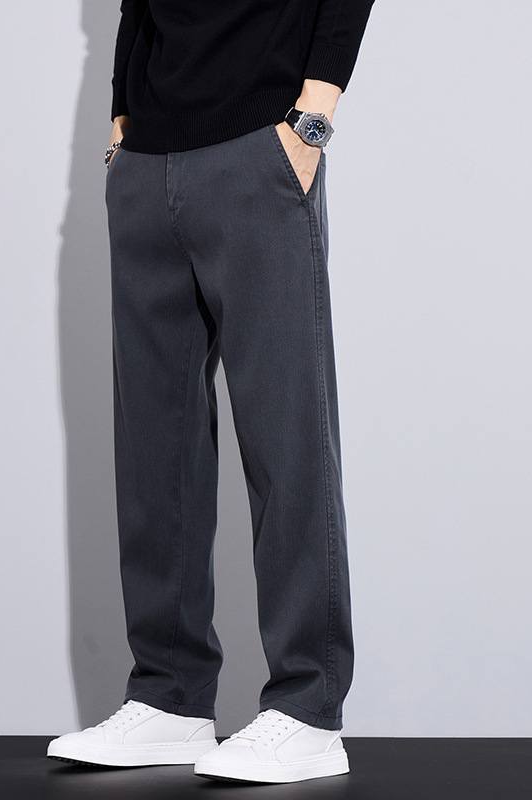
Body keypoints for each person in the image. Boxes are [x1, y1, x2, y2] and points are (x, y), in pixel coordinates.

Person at [48, 0, 377, 784]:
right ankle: (169, 697)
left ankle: (309, 709)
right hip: (147, 159)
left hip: (259, 144)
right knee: (154, 448)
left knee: (286, 440)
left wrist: (311, 120)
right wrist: (123, 120)